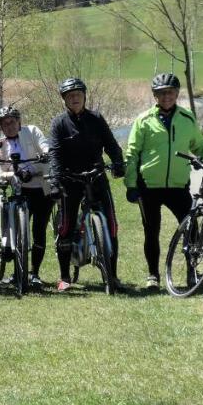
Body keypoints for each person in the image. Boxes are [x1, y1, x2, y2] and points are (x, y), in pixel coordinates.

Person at [123, 73, 203, 290]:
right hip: (148, 186)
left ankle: (192, 273)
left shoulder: (187, 118)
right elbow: (132, 153)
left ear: (177, 94)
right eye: (161, 93)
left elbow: (199, 146)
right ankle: (153, 276)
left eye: (169, 92)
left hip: (178, 186)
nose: (166, 96)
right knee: (152, 231)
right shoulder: (143, 121)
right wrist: (131, 184)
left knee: (191, 229)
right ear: (154, 96)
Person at [47, 77, 126, 293]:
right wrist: (55, 181)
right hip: (70, 180)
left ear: (84, 96)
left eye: (78, 94)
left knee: (111, 226)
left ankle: (113, 276)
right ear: (64, 99)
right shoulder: (58, 123)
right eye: (70, 95)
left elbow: (111, 144)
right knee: (65, 227)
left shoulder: (96, 119)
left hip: (97, 177)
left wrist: (118, 162)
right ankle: (64, 277)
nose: (74, 98)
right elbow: (54, 154)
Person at [0, 105, 55, 287]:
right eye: (5, 123)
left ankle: (34, 273)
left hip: (42, 188)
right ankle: (18, 271)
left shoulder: (32, 131)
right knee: (19, 232)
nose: (9, 126)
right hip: (21, 190)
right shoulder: (1, 144)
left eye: (12, 122)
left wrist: (45, 154)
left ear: (19, 121)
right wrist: (15, 175)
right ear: (1, 126)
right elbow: (2, 171)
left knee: (39, 231)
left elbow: (45, 146)